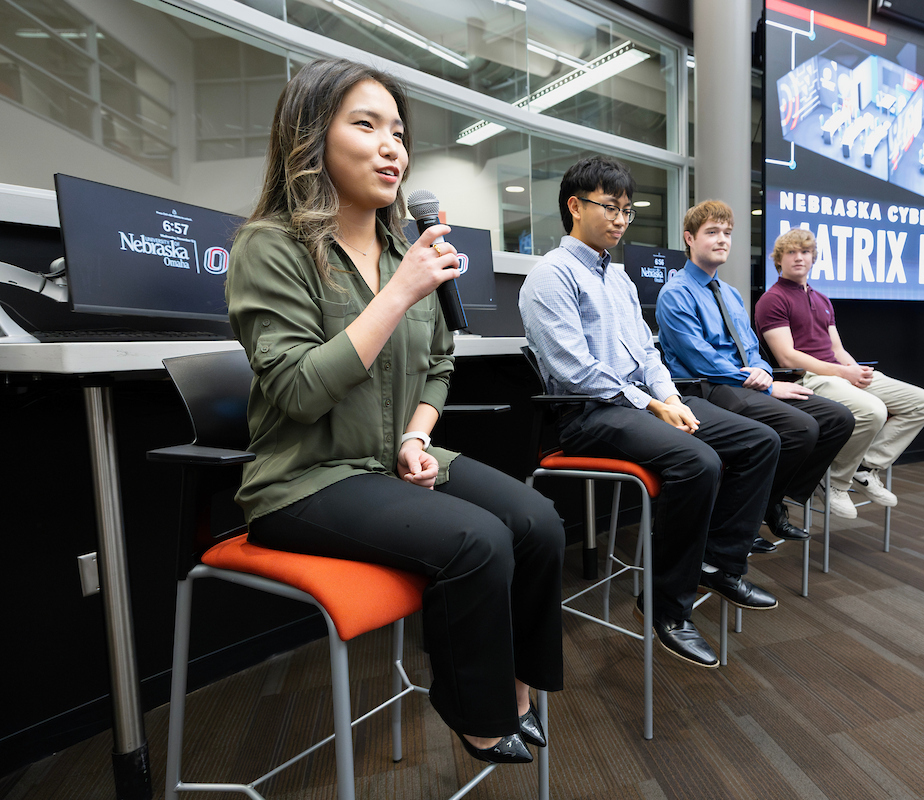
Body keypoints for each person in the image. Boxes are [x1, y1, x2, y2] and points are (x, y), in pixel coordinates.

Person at [225, 58, 564, 765]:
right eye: (366, 125)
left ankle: (516, 685)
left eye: (399, 133)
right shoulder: (270, 246)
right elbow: (296, 390)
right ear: (310, 137)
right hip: (307, 480)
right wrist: (397, 295)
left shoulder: (400, 247)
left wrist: (417, 432)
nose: (392, 147)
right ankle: (476, 709)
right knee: (479, 542)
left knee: (537, 522)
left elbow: (438, 363)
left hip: (392, 456)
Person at [519, 156, 780, 670]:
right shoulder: (550, 276)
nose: (620, 219)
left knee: (759, 441)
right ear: (575, 206)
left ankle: (718, 562)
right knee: (697, 462)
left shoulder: (617, 279)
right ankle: (664, 606)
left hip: (641, 404)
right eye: (610, 208)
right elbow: (574, 372)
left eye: (626, 211)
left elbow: (649, 355)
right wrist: (653, 403)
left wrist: (672, 399)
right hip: (587, 415)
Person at [655, 200, 854, 554]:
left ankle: (768, 502)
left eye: (727, 233)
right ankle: (747, 514)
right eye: (712, 233)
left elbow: (750, 346)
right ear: (689, 238)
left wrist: (762, 370)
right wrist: (759, 380)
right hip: (706, 389)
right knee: (801, 428)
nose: (722, 240)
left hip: (744, 383)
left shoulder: (730, 294)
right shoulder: (675, 292)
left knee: (837, 418)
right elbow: (698, 358)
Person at [755, 227, 924, 519]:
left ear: (813, 258)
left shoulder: (823, 299)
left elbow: (837, 348)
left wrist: (854, 370)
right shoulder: (772, 299)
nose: (798, 257)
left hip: (837, 373)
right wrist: (843, 373)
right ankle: (835, 482)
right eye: (791, 252)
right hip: (808, 378)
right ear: (779, 260)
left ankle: (865, 468)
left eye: (804, 252)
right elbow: (788, 356)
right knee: (874, 411)